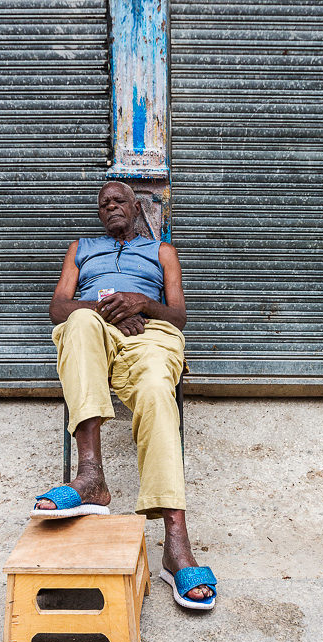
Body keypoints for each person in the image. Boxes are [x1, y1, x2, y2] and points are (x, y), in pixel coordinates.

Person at [31, 181, 216, 609]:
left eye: (119, 201)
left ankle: (176, 541)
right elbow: (60, 306)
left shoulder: (162, 252)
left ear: (137, 207)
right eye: (103, 204)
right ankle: (91, 476)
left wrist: (141, 304)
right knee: (75, 324)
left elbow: (179, 314)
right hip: (94, 328)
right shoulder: (81, 248)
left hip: (150, 334)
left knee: (155, 392)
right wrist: (109, 311)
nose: (111, 207)